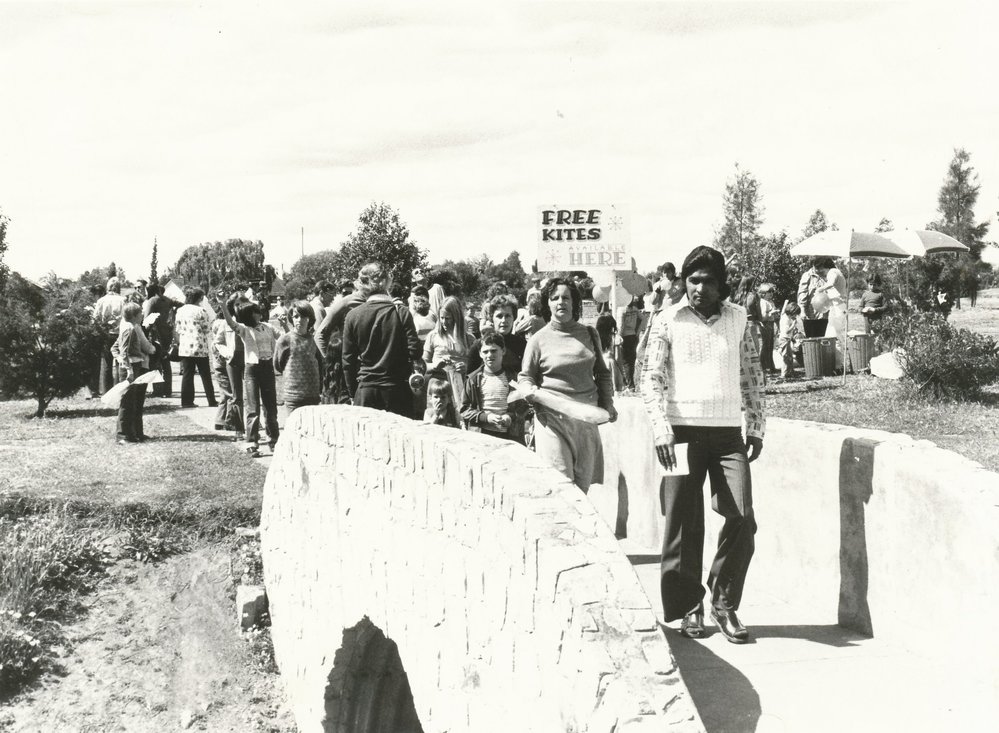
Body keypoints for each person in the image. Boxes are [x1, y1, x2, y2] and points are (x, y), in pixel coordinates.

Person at [639, 245, 765, 644]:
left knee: (742, 516)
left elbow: (751, 374)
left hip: (727, 434)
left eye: (708, 281)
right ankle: (689, 605)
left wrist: (757, 425)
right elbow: (651, 378)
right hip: (679, 434)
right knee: (682, 524)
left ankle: (724, 602)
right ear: (683, 282)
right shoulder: (666, 319)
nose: (699, 288)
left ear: (721, 284)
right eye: (692, 280)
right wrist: (661, 428)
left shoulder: (739, 318)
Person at [519, 277, 617, 492]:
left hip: (585, 420)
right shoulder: (538, 339)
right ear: (548, 303)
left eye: (566, 297)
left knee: (582, 489)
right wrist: (528, 392)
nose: (560, 302)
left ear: (574, 303)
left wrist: (608, 404)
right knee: (562, 486)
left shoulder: (590, 334)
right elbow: (525, 376)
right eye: (555, 298)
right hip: (552, 421)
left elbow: (602, 373)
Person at [342, 262, 423, 417]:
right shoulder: (401, 312)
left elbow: (348, 361)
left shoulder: (353, 315)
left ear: (361, 285)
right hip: (396, 391)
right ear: (387, 281)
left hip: (365, 391)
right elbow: (415, 352)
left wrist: (353, 393)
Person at [222, 297, 282, 457]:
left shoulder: (268, 327)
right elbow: (230, 322)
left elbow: (283, 337)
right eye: (256, 311)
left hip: (267, 367)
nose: (259, 313)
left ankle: (274, 440)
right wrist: (222, 304)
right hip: (252, 370)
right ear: (250, 315)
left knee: (270, 407)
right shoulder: (244, 329)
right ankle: (252, 442)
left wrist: (284, 323)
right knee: (253, 408)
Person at [460, 333, 526, 442]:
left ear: (503, 351)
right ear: (480, 354)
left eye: (494, 350)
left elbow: (523, 406)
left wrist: (511, 416)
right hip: (482, 436)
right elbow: (464, 410)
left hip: (509, 436)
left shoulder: (514, 378)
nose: (489, 355)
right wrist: (486, 417)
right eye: (485, 351)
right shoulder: (473, 380)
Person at [111, 302, 157, 444]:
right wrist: (129, 370)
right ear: (135, 316)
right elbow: (123, 351)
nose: (143, 315)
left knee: (132, 402)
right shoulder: (129, 329)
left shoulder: (131, 327)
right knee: (127, 401)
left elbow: (116, 348)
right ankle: (122, 435)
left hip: (134, 365)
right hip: (130, 367)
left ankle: (132, 434)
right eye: (140, 313)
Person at [273, 300, 323, 416]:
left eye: (303, 317)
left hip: (312, 394)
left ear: (309, 319)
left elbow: (319, 365)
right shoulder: (285, 340)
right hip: (293, 394)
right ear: (291, 318)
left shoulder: (313, 340)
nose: (299, 320)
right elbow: (277, 365)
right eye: (296, 316)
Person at [423, 296, 473, 407]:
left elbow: (477, 367)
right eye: (442, 318)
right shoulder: (433, 336)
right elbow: (422, 365)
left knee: (460, 419)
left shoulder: (469, 338)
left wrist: (466, 367)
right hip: (437, 388)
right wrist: (435, 365)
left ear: (457, 317)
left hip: (460, 387)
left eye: (448, 318)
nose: (444, 322)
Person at [174, 287, 218, 408]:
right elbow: (207, 328)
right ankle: (211, 400)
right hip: (199, 346)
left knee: (187, 374)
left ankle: (186, 401)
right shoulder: (201, 311)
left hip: (185, 346)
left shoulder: (180, 310)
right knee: (205, 375)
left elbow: (177, 328)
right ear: (199, 298)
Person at [467, 294, 527, 374]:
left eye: (508, 316)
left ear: (514, 317)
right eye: (499, 316)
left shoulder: (521, 345)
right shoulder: (479, 345)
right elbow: (470, 378)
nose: (504, 320)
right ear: (492, 318)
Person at [142, 283, 179, 397]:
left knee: (155, 363)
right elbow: (181, 304)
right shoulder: (167, 300)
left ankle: (158, 389)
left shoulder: (152, 301)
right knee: (166, 361)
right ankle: (168, 390)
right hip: (166, 333)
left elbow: (147, 319)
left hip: (155, 333)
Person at [93, 277, 126, 395]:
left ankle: (106, 390)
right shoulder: (123, 300)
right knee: (119, 362)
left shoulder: (101, 301)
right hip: (119, 333)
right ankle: (118, 390)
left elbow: (95, 318)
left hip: (105, 333)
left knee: (106, 363)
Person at [619, 296, 648, 388]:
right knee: (631, 361)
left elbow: (621, 325)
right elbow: (644, 319)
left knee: (624, 361)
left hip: (624, 337)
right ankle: (631, 384)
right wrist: (638, 331)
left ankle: (628, 384)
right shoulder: (635, 309)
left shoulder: (622, 310)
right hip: (633, 335)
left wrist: (619, 337)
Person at [797, 257, 830, 336]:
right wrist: (802, 310)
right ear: (813, 265)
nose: (820, 270)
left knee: (823, 337)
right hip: (811, 314)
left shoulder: (826, 275)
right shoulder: (807, 276)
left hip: (824, 314)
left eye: (822, 267)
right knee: (812, 338)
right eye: (817, 268)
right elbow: (802, 293)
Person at [778, 302, 804, 378]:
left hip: (787, 339)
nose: (795, 316)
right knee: (786, 357)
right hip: (784, 339)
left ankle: (790, 371)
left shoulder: (786, 316)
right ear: (791, 313)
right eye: (795, 314)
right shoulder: (786, 319)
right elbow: (787, 331)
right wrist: (793, 325)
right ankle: (784, 374)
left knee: (789, 356)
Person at [757, 283, 778, 373]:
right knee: (765, 346)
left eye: (772, 292)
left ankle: (770, 366)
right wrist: (771, 313)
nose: (771, 293)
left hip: (771, 324)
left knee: (770, 346)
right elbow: (762, 317)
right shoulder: (763, 302)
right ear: (762, 293)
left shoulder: (771, 302)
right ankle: (762, 366)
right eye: (769, 292)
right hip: (765, 325)